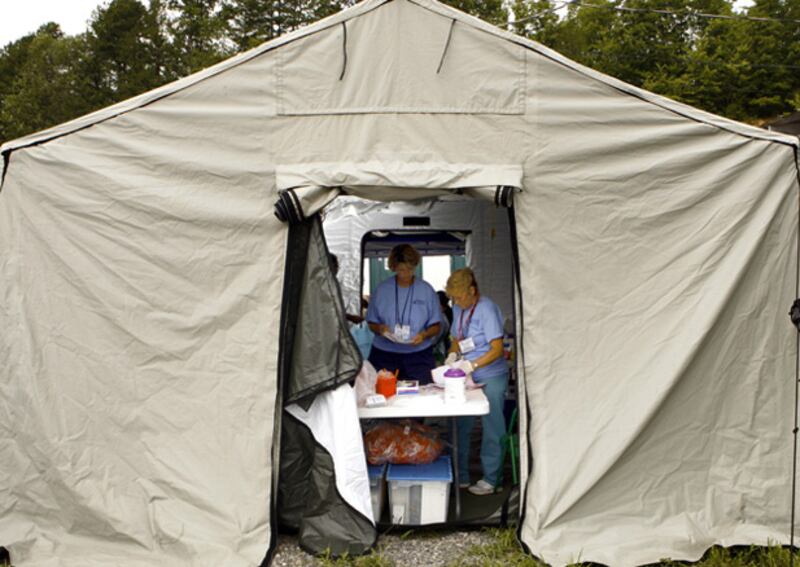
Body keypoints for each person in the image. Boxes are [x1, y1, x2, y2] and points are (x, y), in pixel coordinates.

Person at [446, 268, 508, 496]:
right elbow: (456, 338)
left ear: (472, 291)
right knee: (462, 423)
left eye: (460, 297)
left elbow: (497, 348)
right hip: (467, 375)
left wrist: (473, 365)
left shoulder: (487, 309)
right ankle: (461, 474)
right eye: (454, 298)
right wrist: (452, 357)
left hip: (491, 374)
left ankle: (492, 478)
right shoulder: (458, 308)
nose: (457, 301)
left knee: (492, 425)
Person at [366, 244, 441, 383]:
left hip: (418, 355)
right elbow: (371, 323)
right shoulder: (382, 290)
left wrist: (424, 335)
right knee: (382, 395)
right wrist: (380, 329)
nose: (406, 273)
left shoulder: (426, 290)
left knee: (423, 394)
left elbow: (436, 326)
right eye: (401, 269)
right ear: (393, 267)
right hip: (385, 354)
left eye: (410, 269)